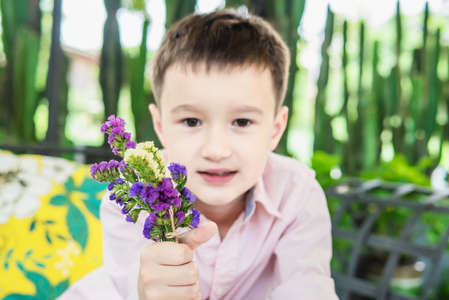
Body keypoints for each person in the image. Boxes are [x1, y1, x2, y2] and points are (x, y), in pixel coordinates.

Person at [59, 8, 338, 300]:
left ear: (275, 129)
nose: (216, 150)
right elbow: (128, 289)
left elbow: (308, 289)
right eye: (191, 121)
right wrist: (146, 291)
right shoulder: (131, 198)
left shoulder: (298, 195)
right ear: (160, 126)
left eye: (242, 122)